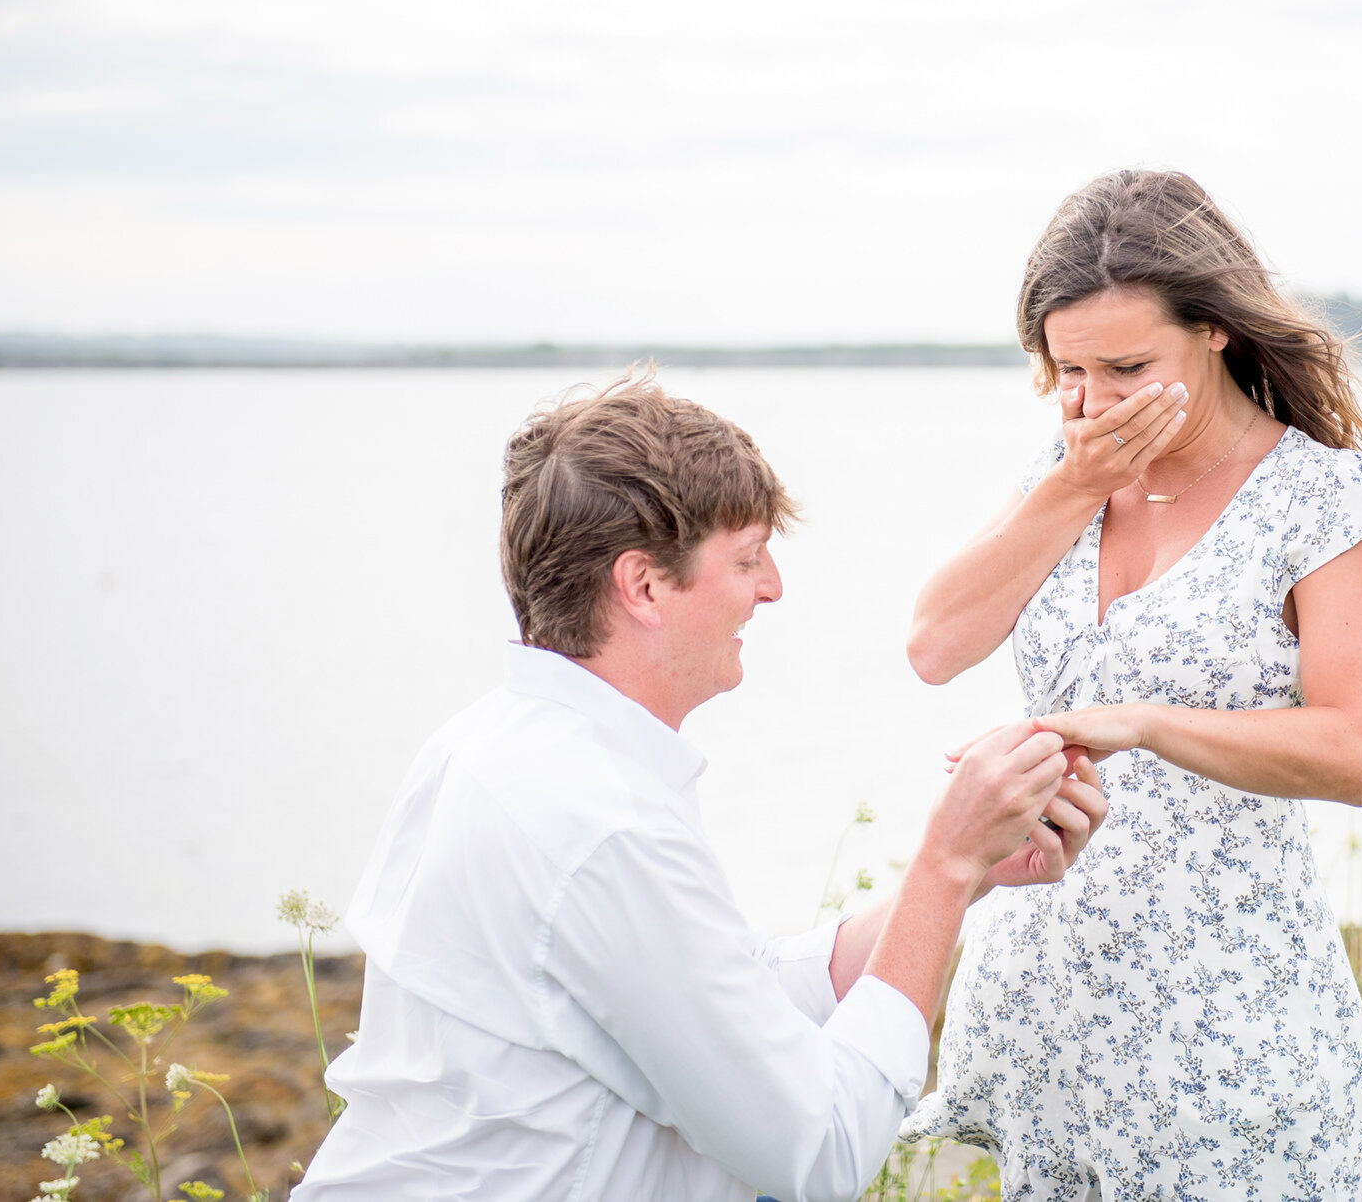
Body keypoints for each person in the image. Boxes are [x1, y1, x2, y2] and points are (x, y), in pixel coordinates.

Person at [293, 372, 1107, 1202]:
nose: (771, 588)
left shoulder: (486, 746)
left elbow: (726, 993)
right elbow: (820, 1151)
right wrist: (945, 865)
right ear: (644, 586)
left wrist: (971, 877)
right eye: (748, 558)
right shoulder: (600, 824)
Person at [900, 171, 1362, 1200]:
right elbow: (934, 644)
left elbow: (1358, 752)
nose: (1093, 402)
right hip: (1044, 1007)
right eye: (1068, 372)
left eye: (1128, 366)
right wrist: (1073, 482)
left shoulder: (1320, 499)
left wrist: (1145, 723)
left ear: (1217, 330)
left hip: (1221, 1018)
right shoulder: (1070, 469)